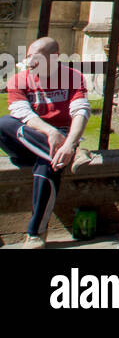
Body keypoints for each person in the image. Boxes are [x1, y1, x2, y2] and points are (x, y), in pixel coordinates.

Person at [0, 38, 95, 247]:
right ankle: (75, 152)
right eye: (29, 57)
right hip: (28, 139)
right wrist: (52, 133)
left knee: (48, 165)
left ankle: (35, 234)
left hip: (57, 144)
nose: (30, 62)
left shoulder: (72, 77)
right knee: (4, 123)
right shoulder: (18, 80)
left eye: (37, 58)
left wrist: (68, 142)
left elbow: (81, 111)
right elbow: (22, 113)